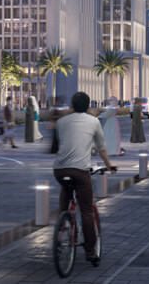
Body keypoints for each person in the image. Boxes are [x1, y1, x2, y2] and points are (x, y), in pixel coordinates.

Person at [52, 92, 118, 265]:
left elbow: (63, 143)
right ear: (88, 106)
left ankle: (62, 225)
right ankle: (90, 252)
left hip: (59, 170)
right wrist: (109, 164)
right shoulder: (94, 122)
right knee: (87, 209)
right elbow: (102, 147)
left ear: (72, 106)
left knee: (66, 191)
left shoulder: (61, 122)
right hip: (80, 171)